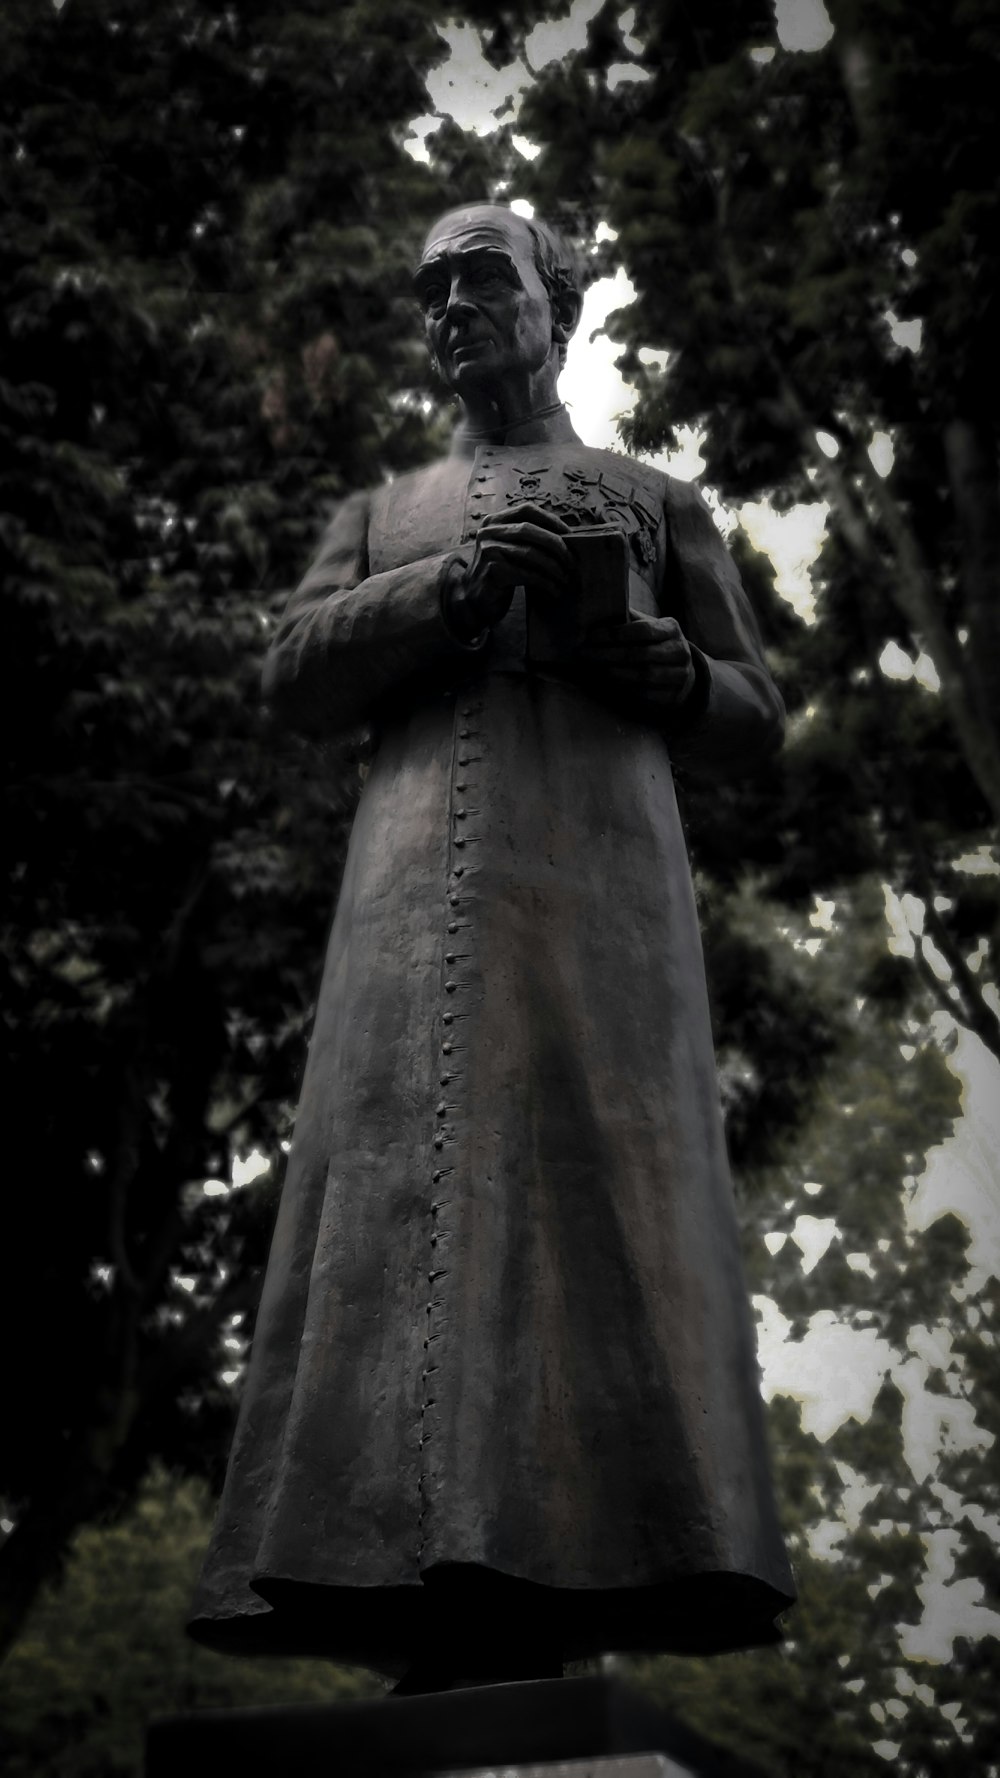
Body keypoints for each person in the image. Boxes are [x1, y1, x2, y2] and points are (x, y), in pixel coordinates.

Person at [189, 203, 795, 1690]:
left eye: (482, 279)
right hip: (404, 929)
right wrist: (458, 585)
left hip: (601, 920)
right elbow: (291, 672)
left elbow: (758, 717)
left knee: (599, 1221)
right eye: (431, 290)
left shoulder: (658, 501)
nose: (452, 306)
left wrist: (665, 665)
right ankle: (391, 1584)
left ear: (555, 309)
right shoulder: (388, 510)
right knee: (398, 1218)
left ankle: (583, 1577)